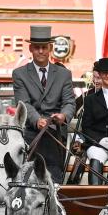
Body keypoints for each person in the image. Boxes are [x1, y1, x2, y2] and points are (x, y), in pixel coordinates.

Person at [12, 25, 76, 182]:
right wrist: (36, 120)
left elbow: (69, 102)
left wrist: (63, 116)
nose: (41, 51)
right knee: (29, 179)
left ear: (50, 48)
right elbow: (23, 103)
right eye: (37, 47)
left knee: (54, 180)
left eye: (44, 47)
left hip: (56, 134)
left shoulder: (63, 74)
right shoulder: (19, 74)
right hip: (32, 134)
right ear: (31, 49)